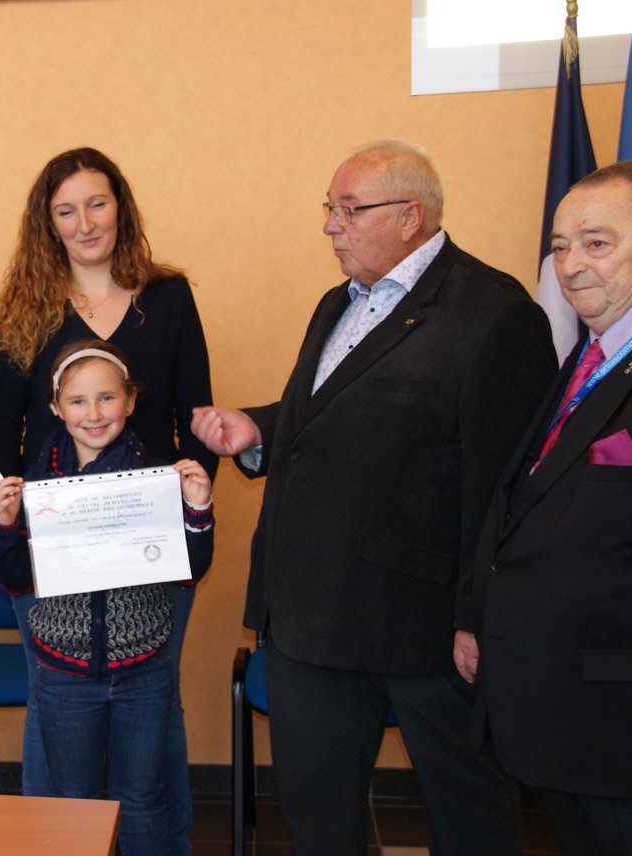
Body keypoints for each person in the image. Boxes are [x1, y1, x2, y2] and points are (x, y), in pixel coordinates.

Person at [191, 140, 556, 854]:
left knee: (470, 820)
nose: (331, 225)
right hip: (312, 620)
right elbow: (334, 414)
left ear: (410, 216)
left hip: (423, 629)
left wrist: (477, 617)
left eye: (350, 209)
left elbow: (505, 486)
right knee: (317, 818)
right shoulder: (339, 302)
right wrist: (259, 429)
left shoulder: (493, 312)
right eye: (330, 208)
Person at [0, 147, 215, 849]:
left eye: (97, 203)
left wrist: (190, 506)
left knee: (157, 703)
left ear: (121, 207)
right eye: (66, 210)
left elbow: (197, 418)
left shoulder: (169, 298)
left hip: (151, 549)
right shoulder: (25, 308)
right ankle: (54, 841)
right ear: (47, 223)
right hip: (51, 551)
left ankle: (162, 843)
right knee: (52, 704)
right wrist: (2, 510)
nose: (85, 223)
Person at [459, 161, 632, 854]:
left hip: (625, 718)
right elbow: (524, 498)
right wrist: (478, 612)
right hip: (558, 706)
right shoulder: (587, 358)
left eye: (597, 243)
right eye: (561, 246)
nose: (570, 266)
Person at [0, 339, 214, 856]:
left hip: (144, 671)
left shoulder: (157, 477)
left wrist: (197, 511)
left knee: (142, 798)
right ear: (55, 408)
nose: (93, 414)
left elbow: (189, 573)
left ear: (130, 401)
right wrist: (5, 525)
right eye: (77, 401)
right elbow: (16, 581)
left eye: (107, 398)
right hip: (63, 673)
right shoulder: (37, 483)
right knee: (74, 803)